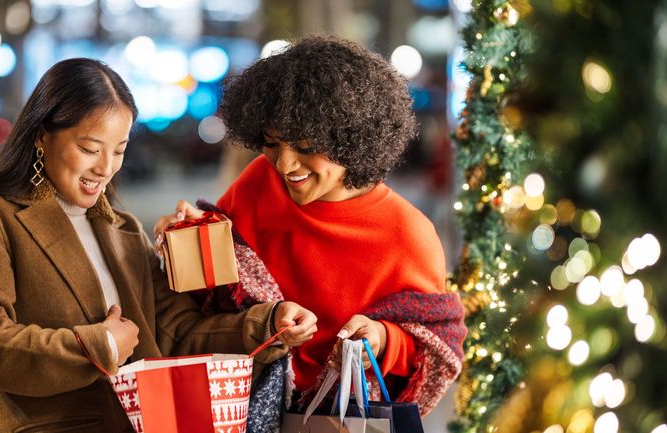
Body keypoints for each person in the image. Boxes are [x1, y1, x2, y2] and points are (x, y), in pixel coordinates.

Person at [0, 58, 317, 433]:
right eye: (90, 149)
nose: (106, 167)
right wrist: (100, 344)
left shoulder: (121, 228)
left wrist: (267, 324)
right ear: (42, 136)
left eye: (120, 150)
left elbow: (175, 333)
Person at [153, 36, 466, 420]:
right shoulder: (258, 183)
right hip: (237, 413)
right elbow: (208, 296)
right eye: (271, 143)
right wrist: (187, 237)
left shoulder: (408, 235)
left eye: (304, 147)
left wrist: (383, 339)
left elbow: (436, 349)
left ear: (351, 137)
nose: (285, 165)